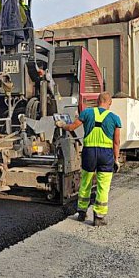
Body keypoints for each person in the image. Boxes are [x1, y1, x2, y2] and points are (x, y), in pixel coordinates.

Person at [56, 92, 122, 226]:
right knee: (103, 186)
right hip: (106, 155)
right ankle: (99, 217)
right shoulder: (115, 118)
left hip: (89, 153)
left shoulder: (87, 113)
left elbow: (72, 127)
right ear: (110, 103)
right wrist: (116, 159)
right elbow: (116, 142)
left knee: (85, 182)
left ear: (97, 101)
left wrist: (62, 125)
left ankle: (81, 212)